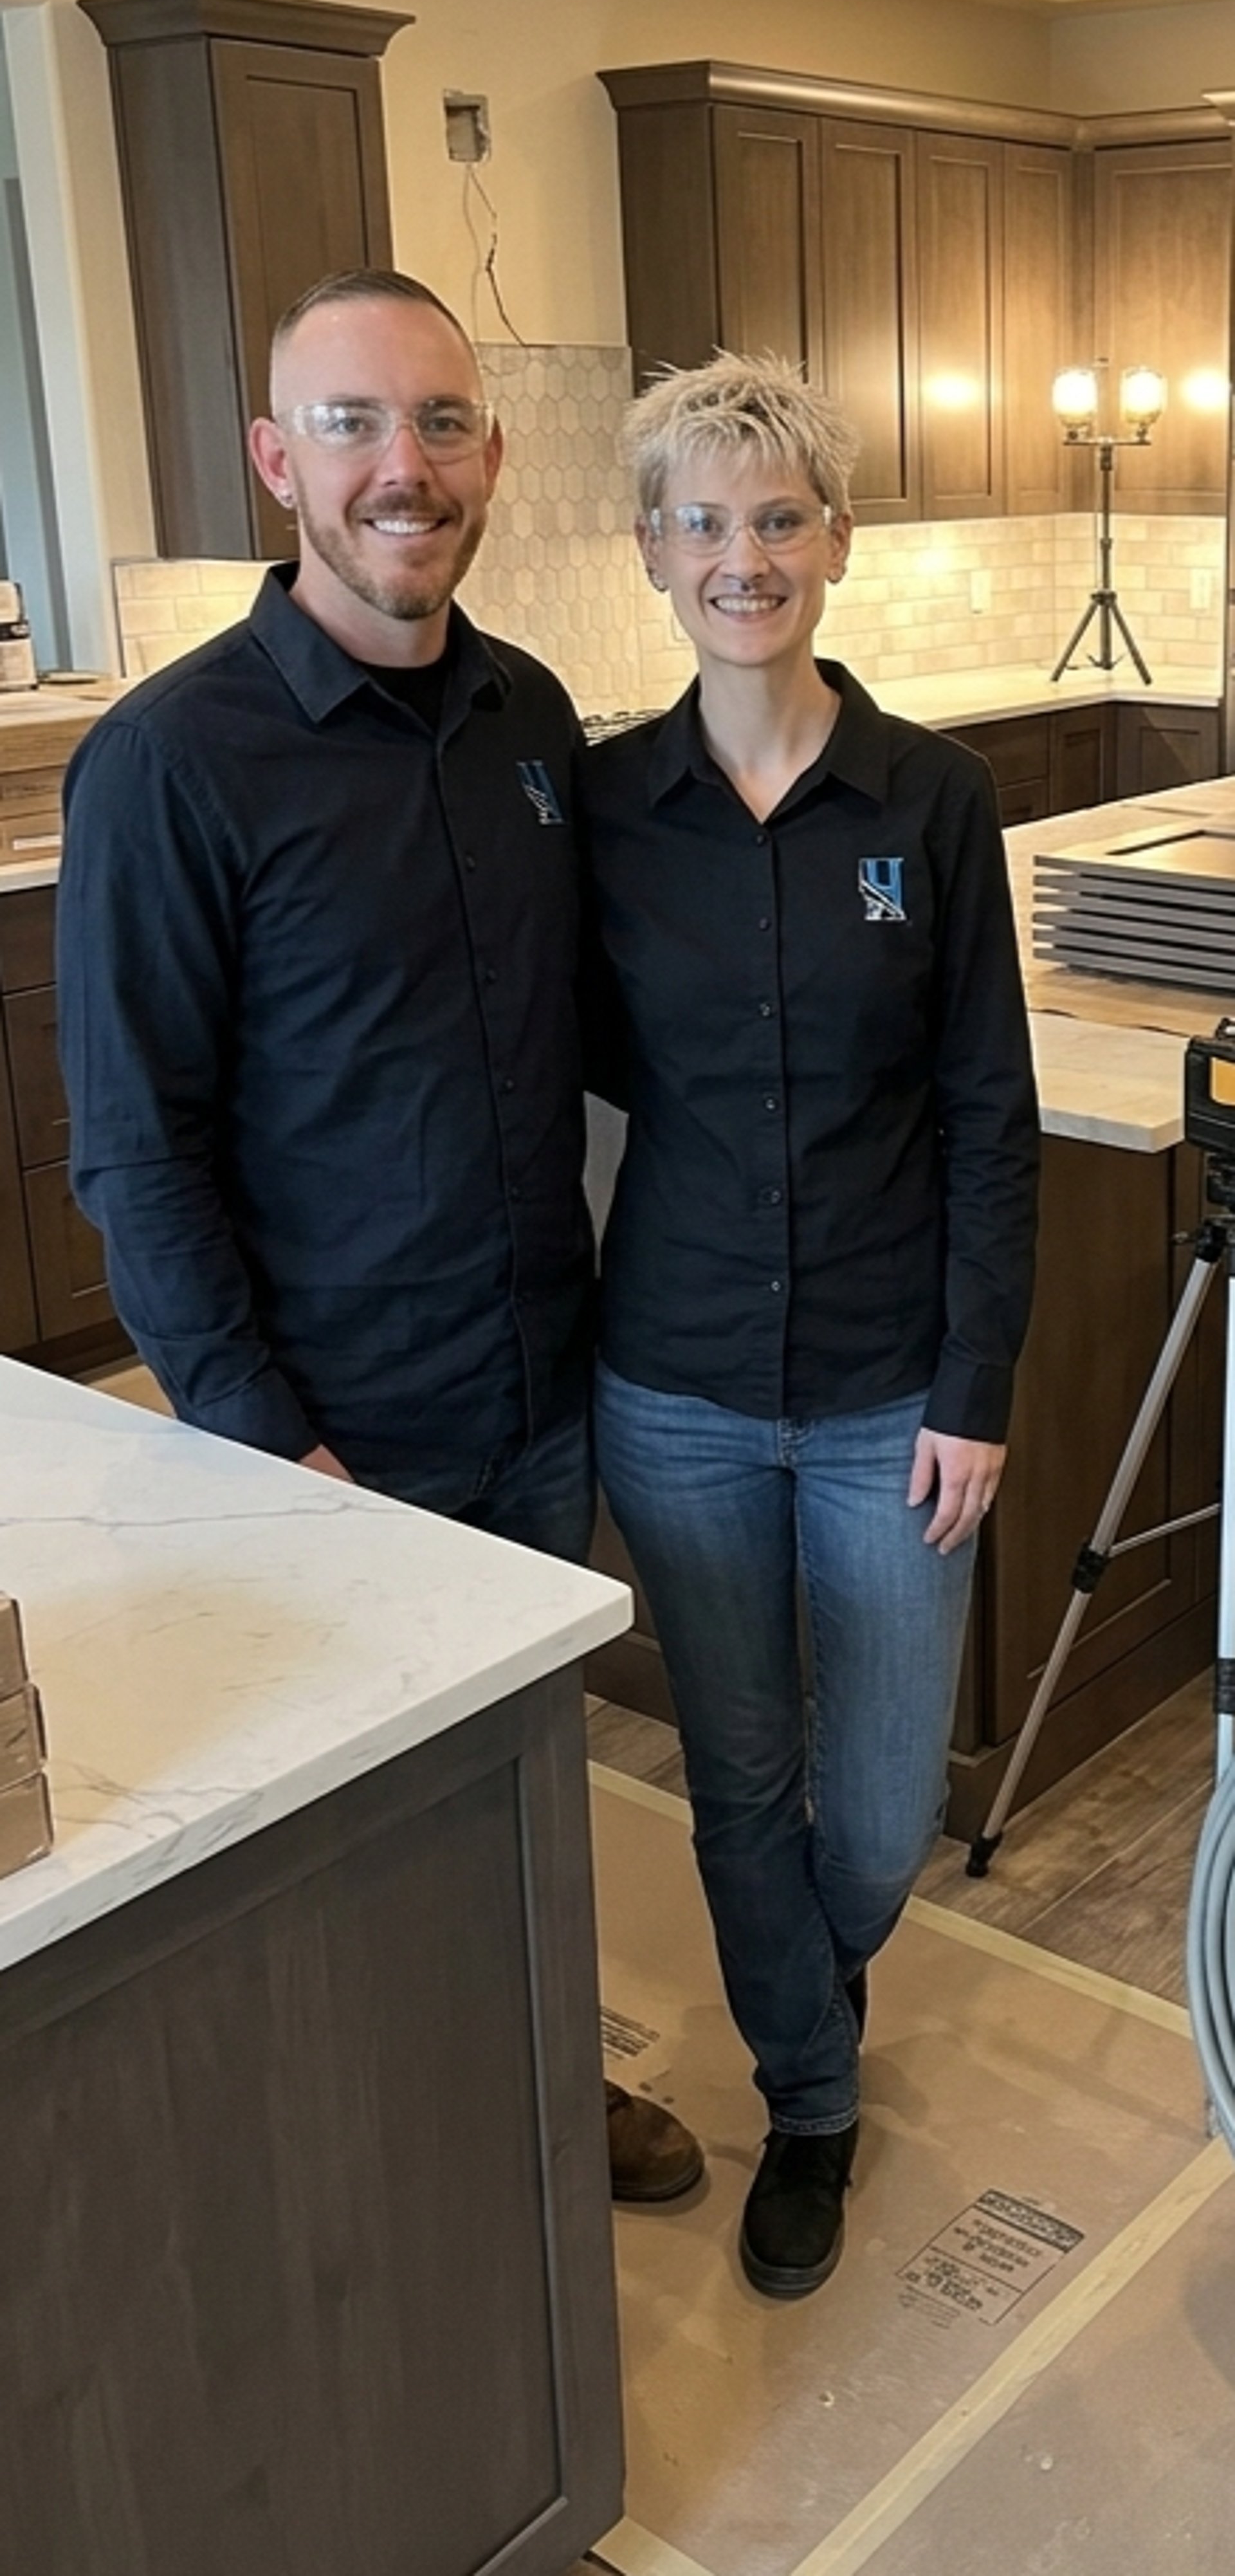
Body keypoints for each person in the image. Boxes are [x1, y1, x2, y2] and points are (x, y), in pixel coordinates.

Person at [56, 266, 702, 2207]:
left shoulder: (527, 714)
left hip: (539, 1375)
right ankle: (393, 2197)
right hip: (330, 1426)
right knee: (349, 1831)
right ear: (278, 460)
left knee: (525, 1783)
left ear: (493, 453)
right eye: (351, 424)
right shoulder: (174, 762)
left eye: (438, 423)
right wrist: (274, 1441)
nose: (400, 469)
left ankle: (532, 2090)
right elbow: (134, 1154)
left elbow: (592, 1024)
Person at [582, 353, 1039, 2295]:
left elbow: (989, 1116)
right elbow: (579, 1072)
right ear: (652, 551)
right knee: (741, 1772)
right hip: (673, 1382)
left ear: (835, 540)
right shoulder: (605, 804)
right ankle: (812, 2099)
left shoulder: (932, 797)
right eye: (702, 519)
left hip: (888, 1399)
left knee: (867, 1809)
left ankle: (807, 1989)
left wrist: (979, 1385)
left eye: (777, 517)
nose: (741, 555)